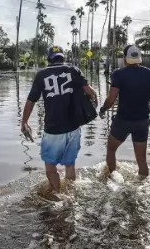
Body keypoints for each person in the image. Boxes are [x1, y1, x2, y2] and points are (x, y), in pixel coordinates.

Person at [21, 46, 98, 193]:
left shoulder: (41, 75)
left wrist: (24, 122)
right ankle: (70, 194)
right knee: (70, 165)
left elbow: (31, 101)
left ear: (49, 58)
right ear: (63, 57)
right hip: (73, 127)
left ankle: (58, 196)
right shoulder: (73, 70)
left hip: (53, 129)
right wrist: (94, 107)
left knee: (51, 169)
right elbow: (91, 93)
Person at [98, 44, 150, 178]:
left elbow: (111, 100)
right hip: (142, 122)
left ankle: (114, 179)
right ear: (139, 58)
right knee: (141, 160)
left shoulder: (118, 74)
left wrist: (103, 109)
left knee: (111, 150)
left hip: (123, 121)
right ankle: (142, 184)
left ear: (125, 58)